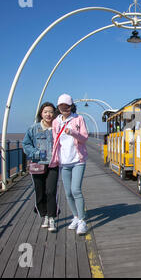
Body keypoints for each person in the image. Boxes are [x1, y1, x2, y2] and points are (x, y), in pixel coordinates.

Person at [50, 94, 89, 235]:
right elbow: (55, 141)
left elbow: (84, 138)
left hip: (78, 160)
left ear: (71, 106)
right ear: (58, 107)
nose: (64, 108)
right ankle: (76, 217)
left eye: (67, 106)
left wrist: (72, 132)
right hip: (64, 162)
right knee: (67, 193)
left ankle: (83, 221)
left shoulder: (78, 119)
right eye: (61, 106)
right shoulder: (56, 122)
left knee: (76, 190)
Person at [23, 102, 59, 232]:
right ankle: (44, 215)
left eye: (51, 112)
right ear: (41, 114)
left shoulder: (57, 128)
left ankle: (52, 218)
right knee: (40, 192)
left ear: (54, 113)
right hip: (38, 164)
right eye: (45, 112)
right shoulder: (34, 128)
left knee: (51, 191)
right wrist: (37, 153)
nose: (48, 114)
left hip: (53, 164)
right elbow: (26, 144)